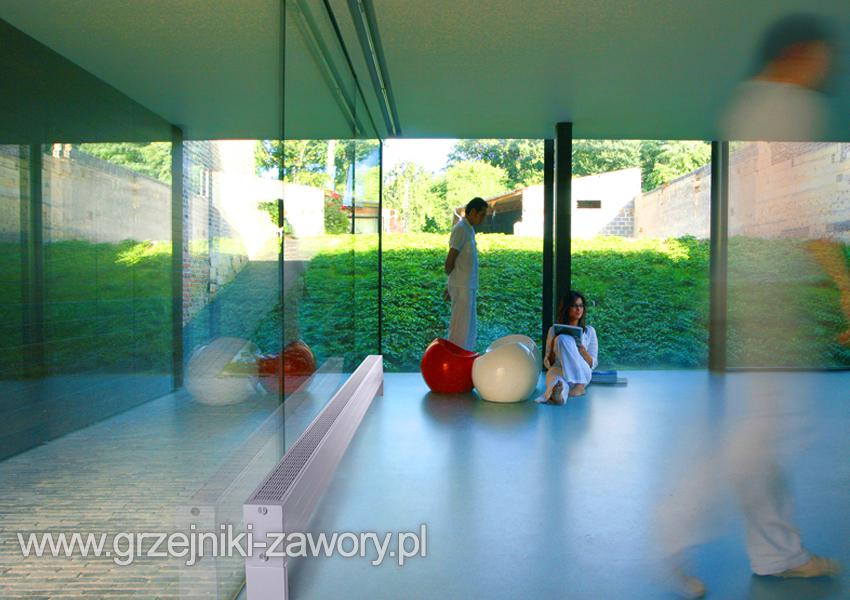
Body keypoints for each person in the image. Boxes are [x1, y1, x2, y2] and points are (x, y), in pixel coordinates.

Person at [720, 13, 836, 141]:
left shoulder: (745, 98)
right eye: (820, 59)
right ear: (796, 54)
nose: (827, 69)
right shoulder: (795, 106)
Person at [444, 197, 488, 351]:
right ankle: (454, 359)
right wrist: (451, 284)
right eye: (482, 214)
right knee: (460, 328)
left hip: (467, 286)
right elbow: (450, 260)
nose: (483, 219)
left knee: (468, 328)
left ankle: (466, 358)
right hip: (461, 286)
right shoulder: (461, 229)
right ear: (473, 212)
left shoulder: (469, 229)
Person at [540, 290, 598, 404]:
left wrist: (582, 350)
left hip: (582, 371)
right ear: (567, 308)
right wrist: (553, 348)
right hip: (559, 368)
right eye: (574, 306)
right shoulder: (553, 330)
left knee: (563, 338)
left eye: (581, 306)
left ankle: (580, 386)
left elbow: (593, 364)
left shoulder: (590, 331)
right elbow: (548, 363)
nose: (578, 309)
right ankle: (558, 396)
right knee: (556, 381)